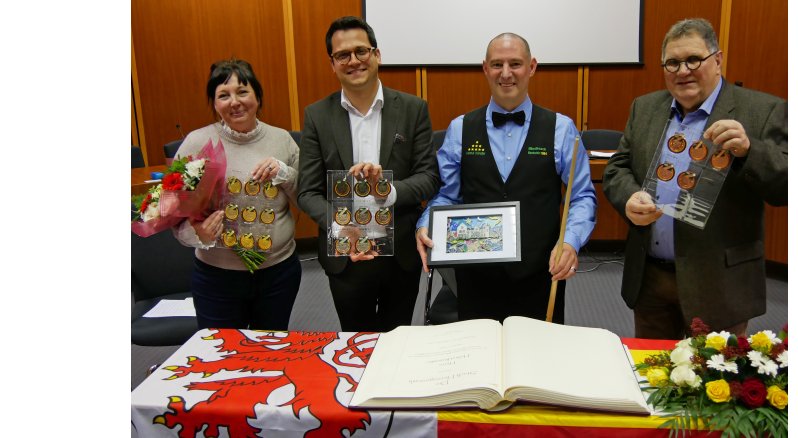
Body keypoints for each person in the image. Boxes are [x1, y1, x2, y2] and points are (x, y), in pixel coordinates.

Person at [602, 18, 787, 340]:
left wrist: (749, 150)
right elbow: (618, 167)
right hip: (651, 280)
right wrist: (629, 197)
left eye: (693, 59)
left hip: (720, 283)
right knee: (650, 378)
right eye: (672, 63)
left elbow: (785, 187)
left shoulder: (763, 110)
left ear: (717, 60)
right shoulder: (644, 108)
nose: (682, 70)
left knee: (707, 382)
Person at [415, 33, 596, 324]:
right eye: (497, 64)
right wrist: (426, 224)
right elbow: (448, 195)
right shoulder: (460, 128)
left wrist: (571, 242)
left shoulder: (561, 129)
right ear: (485, 68)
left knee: (536, 360)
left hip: (540, 274)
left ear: (532, 67)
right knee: (478, 361)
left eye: (516, 64)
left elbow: (582, 196)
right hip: (476, 278)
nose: (506, 73)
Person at [297, 16, 440, 332]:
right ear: (332, 63)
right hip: (346, 254)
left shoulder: (413, 108)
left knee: (397, 339)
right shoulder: (317, 116)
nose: (354, 61)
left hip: (400, 252)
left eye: (361, 51)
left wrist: (386, 190)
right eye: (342, 55)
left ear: (376, 54)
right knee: (354, 343)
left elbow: (429, 176)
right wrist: (339, 228)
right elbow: (307, 191)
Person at [173, 58, 302, 331]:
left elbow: (306, 197)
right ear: (214, 103)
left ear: (257, 95)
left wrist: (284, 173)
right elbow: (172, 214)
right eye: (223, 95)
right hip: (217, 278)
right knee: (222, 356)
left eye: (242, 91)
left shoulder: (282, 140)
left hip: (278, 273)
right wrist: (198, 234)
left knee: (270, 351)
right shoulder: (197, 143)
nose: (235, 101)